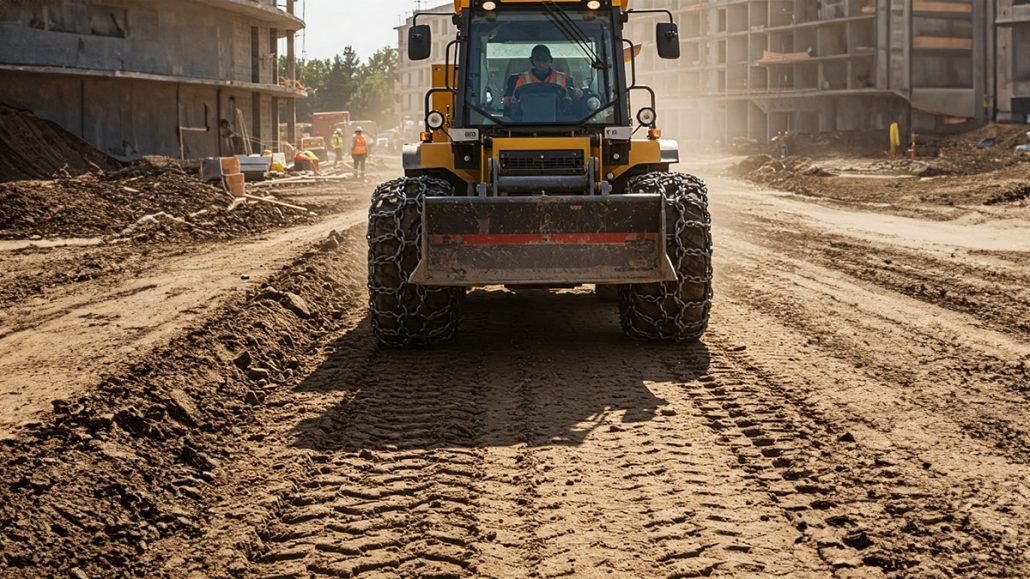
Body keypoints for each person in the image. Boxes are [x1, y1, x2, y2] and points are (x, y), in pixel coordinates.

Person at [502, 44, 583, 108]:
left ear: (551, 60)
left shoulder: (564, 78)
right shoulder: (521, 79)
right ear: (531, 61)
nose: (541, 64)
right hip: (526, 120)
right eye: (538, 60)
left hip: (559, 120)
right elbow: (513, 102)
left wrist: (577, 94)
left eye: (545, 60)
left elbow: (571, 100)